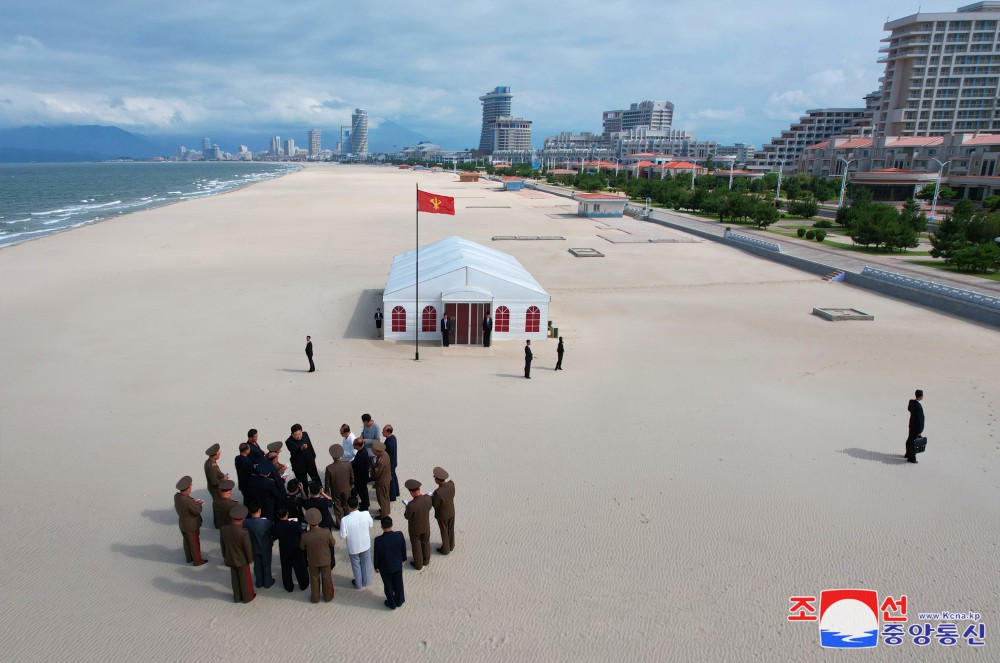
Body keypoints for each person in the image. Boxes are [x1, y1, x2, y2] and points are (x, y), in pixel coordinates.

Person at [300, 508, 336, 603]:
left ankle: (315, 598)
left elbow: (302, 547)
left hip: (313, 561)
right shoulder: (326, 532)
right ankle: (328, 597)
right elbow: (333, 543)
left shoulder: (305, 535)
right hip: (325, 559)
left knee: (314, 578)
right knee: (326, 578)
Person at [221, 505, 255, 603]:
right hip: (242, 559)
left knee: (234, 579)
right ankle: (248, 597)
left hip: (230, 557)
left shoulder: (224, 529)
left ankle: (237, 596)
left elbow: (222, 545)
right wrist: (250, 559)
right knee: (245, 579)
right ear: (243, 519)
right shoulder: (243, 533)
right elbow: (247, 548)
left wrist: (225, 556)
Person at [339, 496, 375, 588]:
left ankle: (358, 584)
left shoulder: (344, 520)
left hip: (353, 547)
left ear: (348, 506)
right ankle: (366, 581)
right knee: (366, 563)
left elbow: (342, 535)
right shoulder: (366, 514)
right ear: (358, 505)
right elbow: (371, 524)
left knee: (356, 566)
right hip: (365, 544)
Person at [274, 507, 309, 593]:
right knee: (300, 567)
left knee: (286, 568)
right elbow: (300, 533)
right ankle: (303, 584)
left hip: (284, 548)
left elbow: (274, 536)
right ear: (287, 514)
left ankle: (288, 586)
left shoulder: (276, 526)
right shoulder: (294, 524)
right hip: (296, 548)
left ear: (278, 516)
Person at [373, 517, 407, 610]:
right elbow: (403, 548)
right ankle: (399, 601)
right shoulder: (399, 535)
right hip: (397, 565)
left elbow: (377, 555)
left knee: (388, 585)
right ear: (392, 524)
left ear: (381, 527)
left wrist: (376, 566)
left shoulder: (378, 540)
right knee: (398, 583)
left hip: (385, 567)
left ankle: (391, 603)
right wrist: (404, 559)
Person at [174, 476, 207, 566]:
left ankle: (189, 558)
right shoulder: (188, 501)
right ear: (188, 489)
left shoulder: (177, 497)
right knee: (194, 543)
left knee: (186, 541)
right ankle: (198, 561)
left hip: (183, 524)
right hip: (191, 525)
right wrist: (199, 505)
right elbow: (197, 511)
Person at [243, 503, 276, 589]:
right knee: (266, 564)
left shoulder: (246, 522)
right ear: (260, 511)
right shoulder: (267, 522)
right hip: (265, 546)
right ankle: (268, 582)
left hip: (253, 546)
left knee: (257, 564)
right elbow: (271, 533)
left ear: (250, 512)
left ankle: (259, 582)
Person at [403, 479, 432, 570]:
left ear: (411, 492)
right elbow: (429, 507)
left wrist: (407, 507)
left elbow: (407, 516)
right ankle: (426, 560)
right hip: (426, 526)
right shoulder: (427, 498)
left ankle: (418, 565)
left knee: (416, 547)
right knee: (426, 543)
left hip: (415, 529)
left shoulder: (411, 505)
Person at [324, 444, 354, 527]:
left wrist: (327, 491)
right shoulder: (348, 464)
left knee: (337, 507)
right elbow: (352, 476)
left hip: (335, 490)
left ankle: (340, 524)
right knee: (346, 505)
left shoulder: (329, 468)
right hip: (347, 488)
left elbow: (327, 482)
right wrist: (351, 485)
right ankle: (348, 521)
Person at [431, 466, 456, 555]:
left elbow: (435, 505)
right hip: (451, 511)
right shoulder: (451, 484)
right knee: (451, 529)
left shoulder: (437, 492)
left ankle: (445, 549)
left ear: (438, 480)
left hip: (442, 514)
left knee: (444, 531)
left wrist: (432, 498)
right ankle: (451, 545)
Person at [351, 437, 372, 512]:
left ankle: (365, 506)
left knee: (362, 492)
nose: (353, 445)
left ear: (357, 445)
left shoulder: (362, 454)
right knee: (363, 491)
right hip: (362, 476)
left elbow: (358, 467)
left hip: (361, 477)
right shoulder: (363, 450)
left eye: (354, 444)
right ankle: (365, 503)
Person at [372, 440, 391, 517]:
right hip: (386, 479)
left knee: (382, 498)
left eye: (373, 451)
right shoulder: (385, 454)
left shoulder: (380, 461)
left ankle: (384, 514)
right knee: (386, 496)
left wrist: (371, 472)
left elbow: (376, 473)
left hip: (381, 481)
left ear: (378, 452)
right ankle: (386, 509)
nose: (372, 452)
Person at [905, 389, 925, 464]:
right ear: (920, 397)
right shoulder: (918, 407)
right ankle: (911, 457)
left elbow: (909, 409)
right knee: (914, 442)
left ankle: (907, 453)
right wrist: (920, 431)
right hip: (916, 427)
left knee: (910, 439)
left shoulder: (911, 402)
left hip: (911, 424)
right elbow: (920, 420)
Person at [383, 424, 400, 501]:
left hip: (390, 464)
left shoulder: (389, 443)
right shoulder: (393, 438)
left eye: (383, 431)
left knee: (391, 479)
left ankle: (392, 496)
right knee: (394, 477)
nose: (382, 433)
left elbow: (387, 455)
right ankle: (396, 492)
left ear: (388, 432)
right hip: (393, 462)